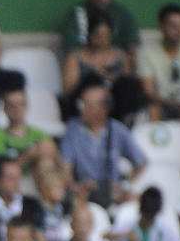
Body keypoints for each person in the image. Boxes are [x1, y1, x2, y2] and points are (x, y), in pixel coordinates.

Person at [60, 78, 147, 208]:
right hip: (84, 190)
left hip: (111, 191)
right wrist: (76, 187)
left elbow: (141, 162)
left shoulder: (117, 130)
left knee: (137, 202)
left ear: (102, 110)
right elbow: (65, 168)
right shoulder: (72, 130)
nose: (80, 108)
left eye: (86, 105)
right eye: (81, 103)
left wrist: (124, 185)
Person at [62, 8, 143, 123]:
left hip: (114, 104)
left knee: (127, 83)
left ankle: (125, 122)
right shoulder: (76, 56)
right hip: (84, 103)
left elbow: (128, 84)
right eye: (98, 35)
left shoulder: (120, 55)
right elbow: (68, 89)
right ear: (89, 34)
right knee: (93, 79)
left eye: (106, 35)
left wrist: (113, 79)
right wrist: (97, 77)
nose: (102, 40)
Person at [61, 0, 140, 57]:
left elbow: (132, 48)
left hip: (117, 66)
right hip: (84, 66)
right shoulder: (75, 16)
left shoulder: (123, 15)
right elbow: (70, 50)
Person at [0, 87, 57, 174]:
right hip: (12, 180)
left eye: (20, 104)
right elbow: (1, 168)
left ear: (27, 106)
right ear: (4, 109)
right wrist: (28, 155)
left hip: (36, 177)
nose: (17, 109)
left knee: (46, 159)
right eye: (11, 105)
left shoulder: (39, 133)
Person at [35, 166, 75, 241]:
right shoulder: (37, 210)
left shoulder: (63, 207)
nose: (62, 191)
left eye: (63, 188)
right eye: (58, 188)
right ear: (44, 190)